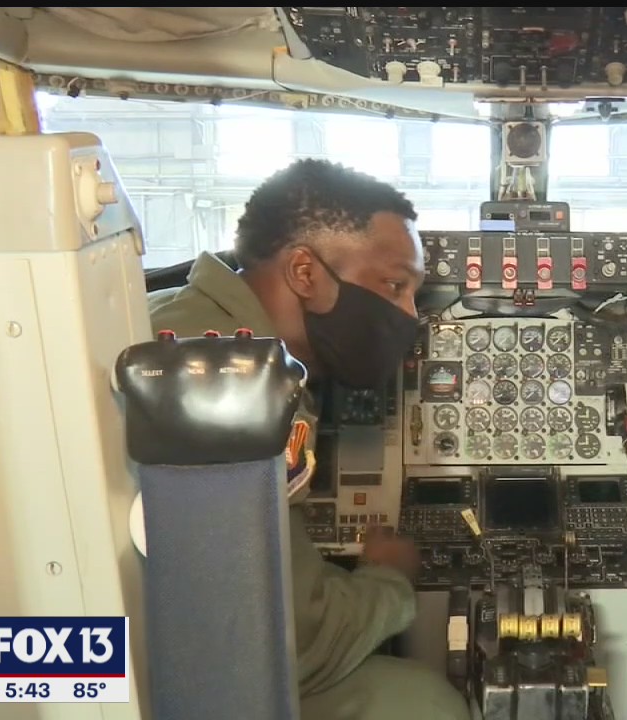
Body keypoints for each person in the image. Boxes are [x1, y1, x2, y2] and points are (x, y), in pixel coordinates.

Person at [147, 158, 470, 720]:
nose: (410, 316)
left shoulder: (181, 318)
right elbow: (297, 646)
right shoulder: (230, 380)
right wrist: (389, 578)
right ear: (304, 271)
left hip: (114, 637)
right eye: (395, 286)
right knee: (427, 704)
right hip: (142, 665)